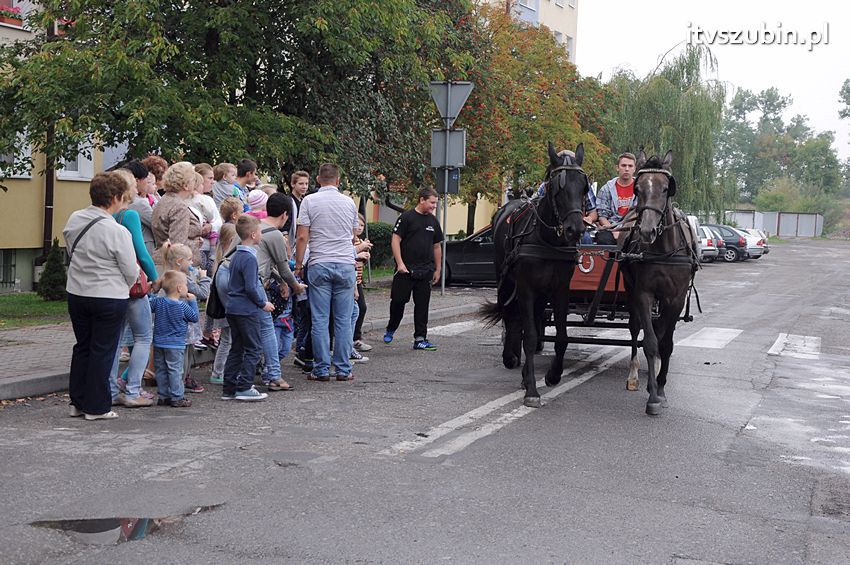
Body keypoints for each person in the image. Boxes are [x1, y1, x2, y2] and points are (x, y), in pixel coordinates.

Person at [64, 172, 139, 420]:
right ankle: (96, 407)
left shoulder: (75, 219)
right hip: (108, 295)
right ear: (115, 198)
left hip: (77, 291)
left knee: (82, 347)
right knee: (103, 350)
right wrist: (126, 283)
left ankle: (77, 402)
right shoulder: (117, 231)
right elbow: (130, 270)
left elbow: (70, 248)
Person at [294, 163, 358, 382]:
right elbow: (352, 234)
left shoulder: (309, 201)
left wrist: (299, 264)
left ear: (318, 180)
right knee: (343, 319)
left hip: (320, 262)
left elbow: (302, 236)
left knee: (320, 319)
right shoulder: (349, 202)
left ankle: (321, 369)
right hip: (345, 263)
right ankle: (343, 368)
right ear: (338, 181)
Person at [109, 168, 159, 408]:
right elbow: (142, 254)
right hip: (133, 285)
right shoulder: (128, 215)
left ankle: (110, 391)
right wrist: (155, 277)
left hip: (110, 286)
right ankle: (132, 390)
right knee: (142, 336)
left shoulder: (103, 215)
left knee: (115, 341)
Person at [383, 187, 444, 351]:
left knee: (422, 305)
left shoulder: (433, 221)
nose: (433, 206)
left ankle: (420, 338)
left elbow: (437, 246)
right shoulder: (406, 217)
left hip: (426, 271)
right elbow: (395, 240)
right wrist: (400, 263)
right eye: (431, 203)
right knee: (398, 302)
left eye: (435, 204)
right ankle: (391, 327)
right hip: (406, 270)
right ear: (422, 200)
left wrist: (438, 269)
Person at [257, 192, 306, 391]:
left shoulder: (255, 227)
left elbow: (270, 265)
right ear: (285, 215)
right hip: (255, 285)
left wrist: (280, 281)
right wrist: (295, 286)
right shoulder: (274, 233)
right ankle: (273, 375)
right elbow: (284, 267)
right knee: (268, 331)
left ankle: (232, 375)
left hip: (233, 281)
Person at [222, 215, 273, 401]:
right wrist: (263, 303)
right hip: (246, 309)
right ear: (253, 234)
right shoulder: (250, 258)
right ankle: (244, 386)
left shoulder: (236, 255)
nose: (261, 234)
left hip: (233, 307)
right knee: (253, 348)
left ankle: (229, 387)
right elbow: (251, 287)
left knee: (236, 348)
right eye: (259, 231)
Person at [161, 242, 211, 394]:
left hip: (173, 324)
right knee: (184, 357)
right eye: (189, 260)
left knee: (178, 357)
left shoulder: (166, 275)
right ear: (179, 261)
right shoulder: (183, 279)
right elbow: (203, 293)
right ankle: (179, 386)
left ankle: (177, 384)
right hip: (185, 324)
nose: (191, 263)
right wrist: (204, 278)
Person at [149, 270, 200, 408]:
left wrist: (154, 290)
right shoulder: (182, 306)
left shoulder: (158, 302)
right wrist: (193, 301)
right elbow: (194, 317)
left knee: (161, 370)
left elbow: (147, 306)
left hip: (159, 342)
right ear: (179, 288)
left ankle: (163, 396)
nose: (187, 288)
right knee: (175, 370)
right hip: (176, 344)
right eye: (185, 285)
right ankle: (177, 396)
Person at [151, 161, 204, 268]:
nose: (195, 183)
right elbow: (178, 245)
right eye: (193, 180)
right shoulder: (178, 207)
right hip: (176, 268)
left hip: (162, 261)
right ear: (185, 185)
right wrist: (195, 243)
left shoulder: (164, 200)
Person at [209, 223, 237, 385]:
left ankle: (220, 370)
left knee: (227, 339)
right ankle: (218, 371)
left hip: (221, 306)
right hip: (227, 307)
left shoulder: (219, 259)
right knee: (227, 340)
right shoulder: (227, 261)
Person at [596, 152, 637, 244]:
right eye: (623, 165)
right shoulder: (606, 189)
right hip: (611, 227)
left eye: (630, 166)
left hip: (634, 228)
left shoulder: (641, 189)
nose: (627, 169)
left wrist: (625, 232)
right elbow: (602, 216)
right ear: (617, 168)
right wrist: (613, 231)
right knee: (603, 239)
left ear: (634, 169)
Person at [124, 160, 156, 254]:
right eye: (146, 177)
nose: (148, 181)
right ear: (136, 181)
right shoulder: (138, 203)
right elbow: (157, 224)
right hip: (145, 249)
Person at [352, 213, 373, 352]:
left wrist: (366, 255)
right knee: (354, 310)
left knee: (361, 308)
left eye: (362, 225)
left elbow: (361, 261)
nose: (359, 227)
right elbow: (348, 255)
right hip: (350, 280)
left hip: (358, 280)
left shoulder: (360, 241)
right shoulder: (349, 240)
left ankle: (356, 338)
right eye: (357, 224)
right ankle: (352, 340)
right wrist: (359, 254)